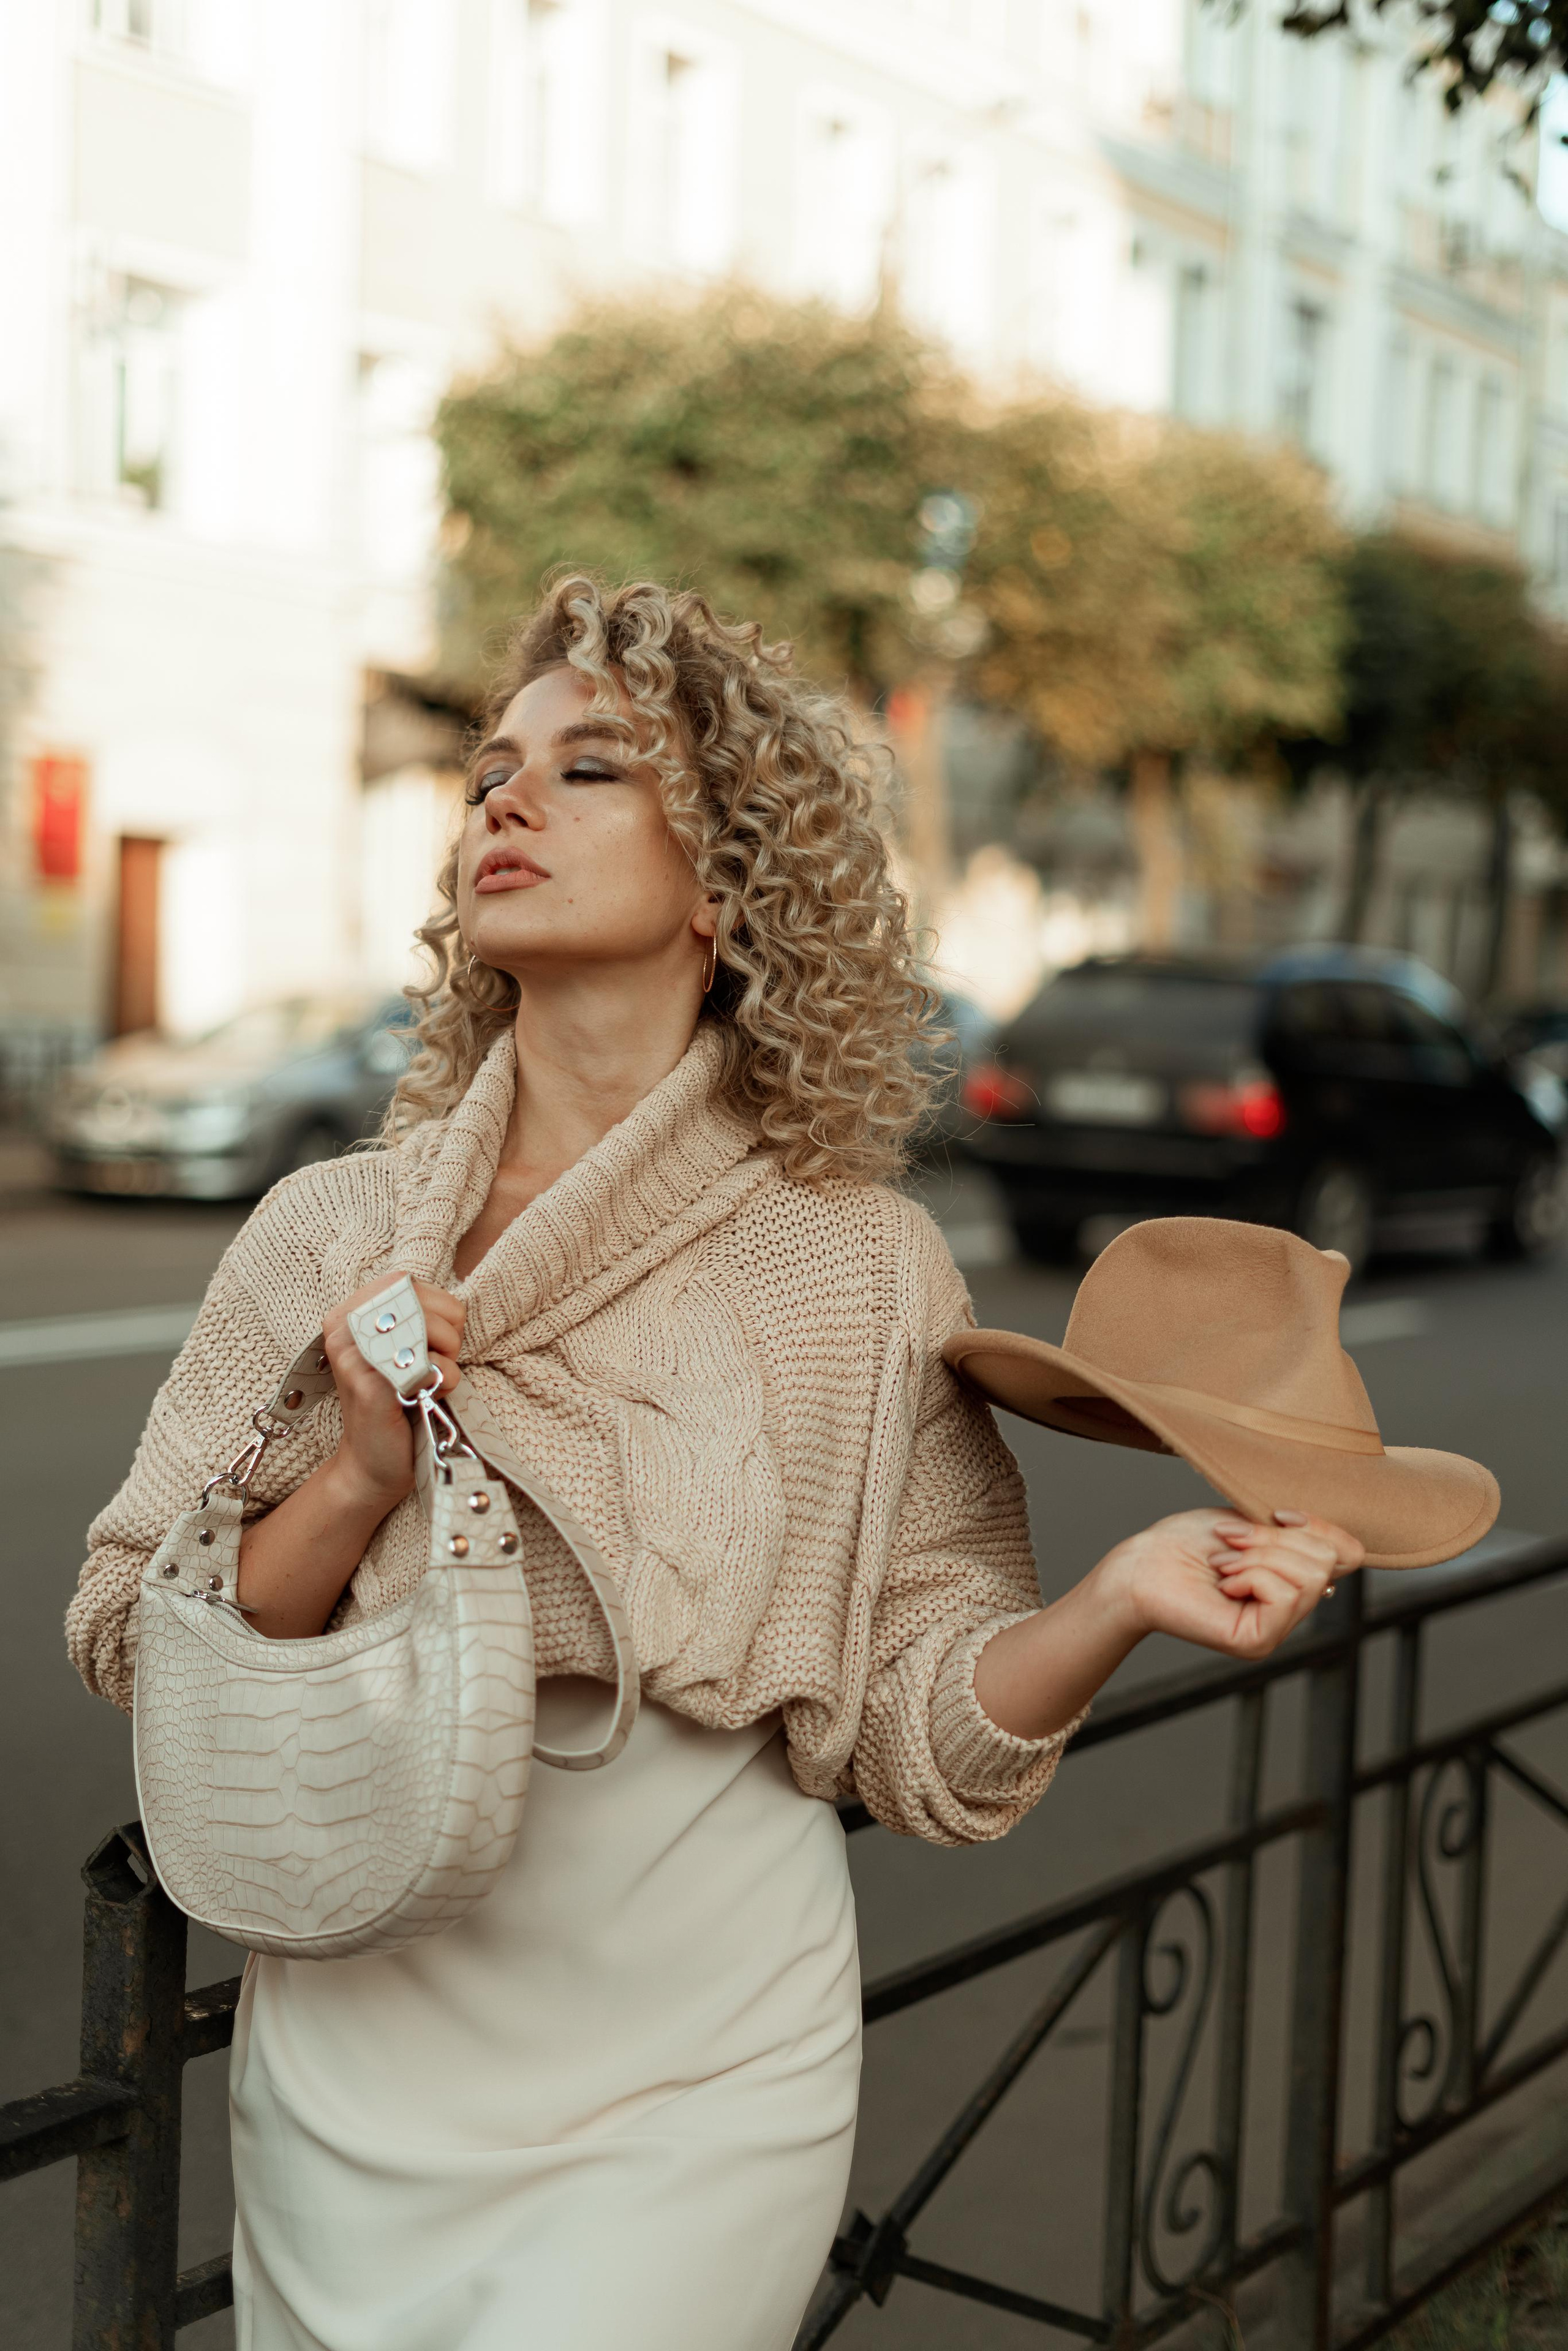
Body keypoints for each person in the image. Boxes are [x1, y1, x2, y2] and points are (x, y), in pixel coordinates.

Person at [67, 576, 1361, 2351]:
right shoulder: (328, 1232)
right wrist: (360, 1472)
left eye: (590, 770)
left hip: (700, 2062)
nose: (508, 802)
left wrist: (1120, 1599)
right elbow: (147, 1634)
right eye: (490, 774)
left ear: (732, 873)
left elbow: (921, 1731)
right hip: (361, 2036)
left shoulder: (855, 1264)